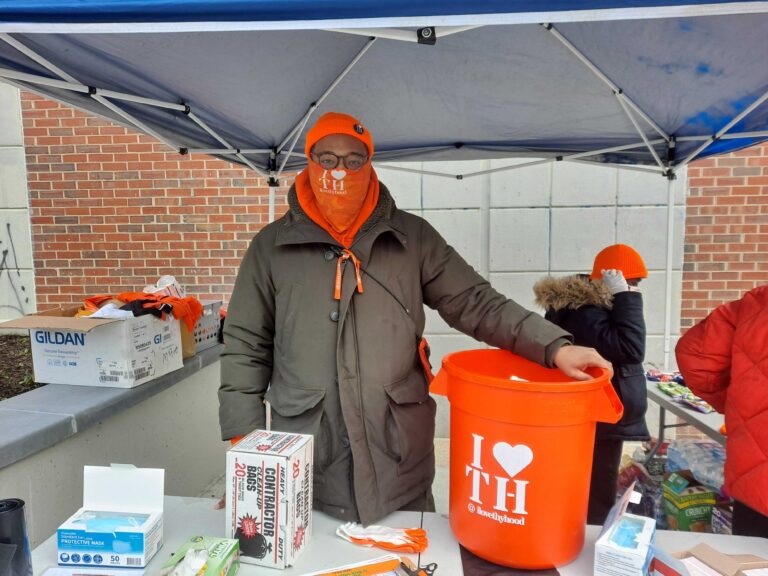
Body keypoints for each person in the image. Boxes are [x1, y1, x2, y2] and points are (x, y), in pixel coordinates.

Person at [219, 111, 612, 525]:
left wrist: (554, 347)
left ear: (368, 164)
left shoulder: (413, 238)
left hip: (399, 460)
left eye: (354, 160)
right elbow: (245, 344)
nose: (340, 171)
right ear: (310, 163)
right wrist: (246, 443)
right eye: (328, 159)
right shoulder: (270, 247)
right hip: (308, 464)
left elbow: (477, 302)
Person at [533, 244, 650, 524]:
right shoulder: (586, 312)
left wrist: (622, 297)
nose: (633, 289)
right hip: (600, 414)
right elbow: (632, 348)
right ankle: (587, 544)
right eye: (630, 283)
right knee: (597, 490)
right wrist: (626, 298)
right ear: (610, 282)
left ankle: (577, 534)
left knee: (588, 484)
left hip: (599, 413)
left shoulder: (590, 307)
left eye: (635, 285)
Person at [675, 284, 768, 538]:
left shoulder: (757, 303)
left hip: (756, 485)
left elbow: (694, 355)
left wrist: (739, 408)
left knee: (749, 563)